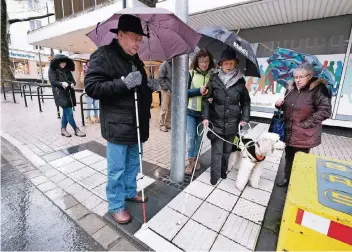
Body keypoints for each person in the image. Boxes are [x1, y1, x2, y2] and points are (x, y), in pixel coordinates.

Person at [84, 14, 160, 224]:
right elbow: (92, 87)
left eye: (140, 40)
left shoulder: (136, 60)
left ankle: (129, 191)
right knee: (116, 169)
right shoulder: (104, 55)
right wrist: (123, 83)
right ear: (120, 35)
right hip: (118, 126)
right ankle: (116, 205)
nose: (138, 43)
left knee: (134, 163)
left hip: (137, 125)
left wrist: (149, 87)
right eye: (135, 38)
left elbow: (138, 90)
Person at [275, 63, 332, 187]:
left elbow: (325, 111)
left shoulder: (318, 90)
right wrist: (280, 104)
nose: (298, 80)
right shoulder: (291, 88)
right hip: (289, 131)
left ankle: (295, 185)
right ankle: (287, 179)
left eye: (301, 77)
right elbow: (288, 107)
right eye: (295, 77)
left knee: (300, 160)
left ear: (310, 75)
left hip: (304, 134)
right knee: (289, 157)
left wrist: (305, 124)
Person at [202, 48, 251, 185]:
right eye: (226, 63)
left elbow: (246, 102)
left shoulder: (240, 81)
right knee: (216, 151)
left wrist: (245, 118)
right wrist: (205, 117)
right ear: (221, 64)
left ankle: (223, 171)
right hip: (216, 120)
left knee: (227, 150)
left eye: (231, 63)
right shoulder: (214, 79)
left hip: (233, 122)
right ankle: (214, 175)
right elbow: (206, 99)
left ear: (235, 64)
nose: (228, 65)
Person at [185, 49, 215, 175]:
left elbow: (214, 93)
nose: (204, 64)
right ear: (197, 61)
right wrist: (198, 91)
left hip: (204, 114)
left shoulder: (212, 76)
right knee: (191, 137)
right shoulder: (190, 73)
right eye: (201, 61)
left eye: (206, 61)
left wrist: (212, 97)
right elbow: (183, 92)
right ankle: (190, 162)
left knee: (199, 138)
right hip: (190, 112)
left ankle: (196, 159)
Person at [48, 54, 86, 137]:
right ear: (57, 62)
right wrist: (61, 83)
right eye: (61, 63)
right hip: (60, 94)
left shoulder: (67, 70)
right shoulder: (52, 70)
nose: (63, 64)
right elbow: (53, 81)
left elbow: (73, 81)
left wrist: (72, 84)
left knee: (66, 113)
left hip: (69, 94)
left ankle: (63, 129)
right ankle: (76, 129)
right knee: (69, 113)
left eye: (64, 63)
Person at [158, 60, 172, 132]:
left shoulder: (175, 64)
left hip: (173, 90)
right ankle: (161, 125)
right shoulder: (164, 64)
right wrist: (166, 88)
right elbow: (160, 78)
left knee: (170, 109)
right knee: (164, 108)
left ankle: (167, 123)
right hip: (166, 90)